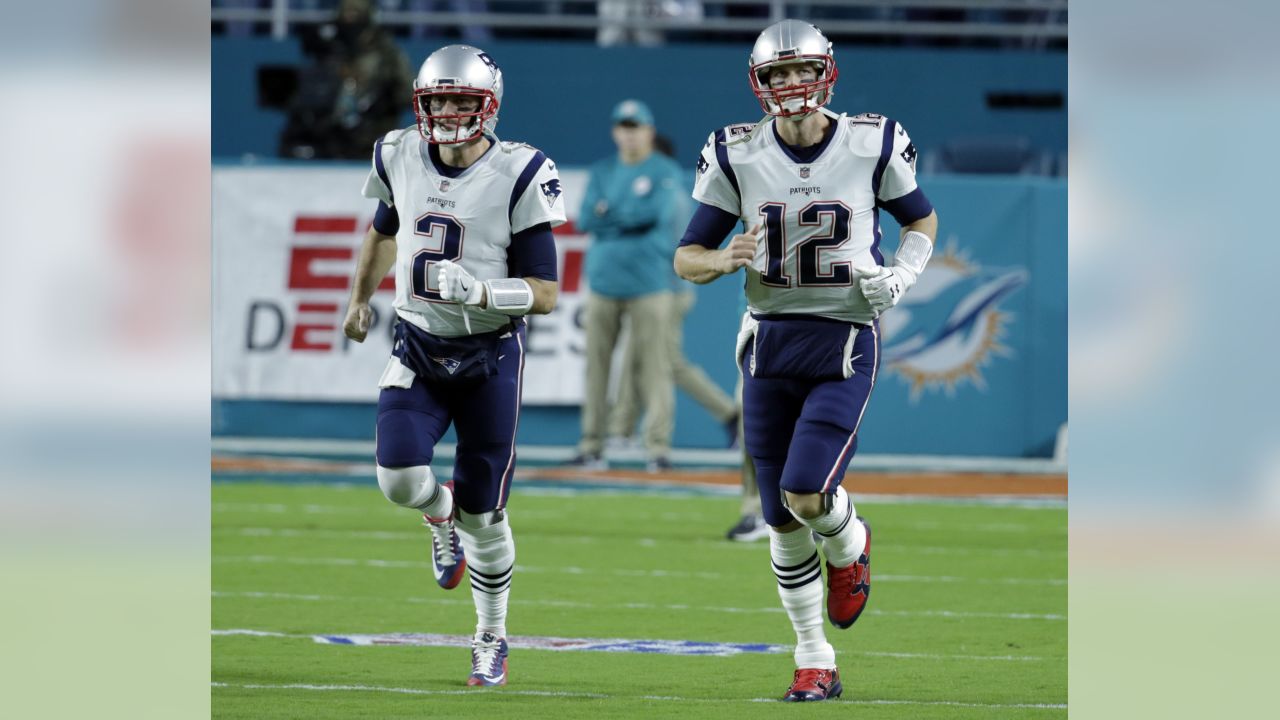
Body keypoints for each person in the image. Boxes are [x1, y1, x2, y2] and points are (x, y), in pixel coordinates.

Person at [673, 20, 939, 702]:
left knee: (805, 493)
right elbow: (686, 257)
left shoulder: (870, 140)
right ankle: (813, 657)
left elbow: (920, 222)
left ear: (827, 73)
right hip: (769, 339)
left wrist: (903, 276)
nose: (791, 86)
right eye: (778, 74)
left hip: (846, 335)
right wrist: (724, 256)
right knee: (782, 518)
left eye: (802, 71)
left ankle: (850, 542)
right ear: (759, 84)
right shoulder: (735, 152)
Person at [342, 44, 564, 687]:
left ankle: (491, 635)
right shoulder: (399, 153)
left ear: (487, 106)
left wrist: (484, 292)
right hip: (416, 343)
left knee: (485, 515)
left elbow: (546, 294)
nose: (445, 113)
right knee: (398, 480)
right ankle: (438, 518)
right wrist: (359, 297)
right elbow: (384, 232)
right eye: (436, 100)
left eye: (460, 101)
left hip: (490, 354)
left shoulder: (520, 172)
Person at [607, 135, 739, 454]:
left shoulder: (670, 198)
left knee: (664, 363)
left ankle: (732, 415)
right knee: (641, 360)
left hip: (666, 292)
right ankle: (621, 430)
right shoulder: (655, 196)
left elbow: (672, 253)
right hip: (655, 291)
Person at [568, 100, 681, 472]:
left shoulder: (665, 171)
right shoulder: (602, 171)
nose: (630, 134)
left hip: (650, 283)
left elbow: (659, 217)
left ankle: (657, 447)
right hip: (603, 282)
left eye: (637, 127)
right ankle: (591, 445)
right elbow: (585, 218)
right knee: (596, 367)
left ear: (649, 131)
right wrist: (630, 217)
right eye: (623, 127)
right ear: (616, 131)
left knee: (655, 368)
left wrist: (612, 214)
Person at [280, 0, 412, 160]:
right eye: (346, 15)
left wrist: (388, 99)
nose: (351, 22)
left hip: (372, 135)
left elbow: (408, 94)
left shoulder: (387, 54)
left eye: (356, 15)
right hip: (329, 133)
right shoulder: (329, 48)